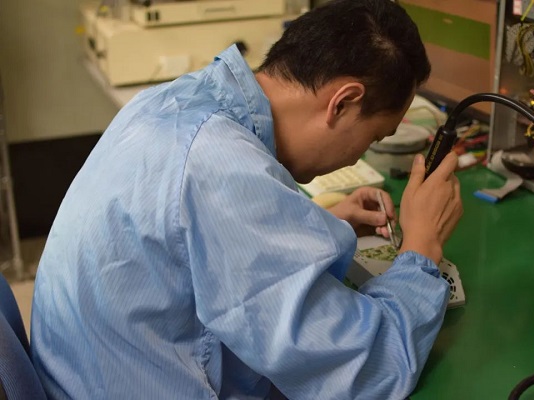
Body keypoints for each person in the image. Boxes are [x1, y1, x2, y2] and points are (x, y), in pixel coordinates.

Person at [31, 0, 463, 398]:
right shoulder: (221, 165)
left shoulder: (178, 100)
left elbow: (185, 235)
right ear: (343, 102)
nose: (359, 155)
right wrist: (421, 248)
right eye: (373, 137)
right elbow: (367, 370)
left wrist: (304, 221)